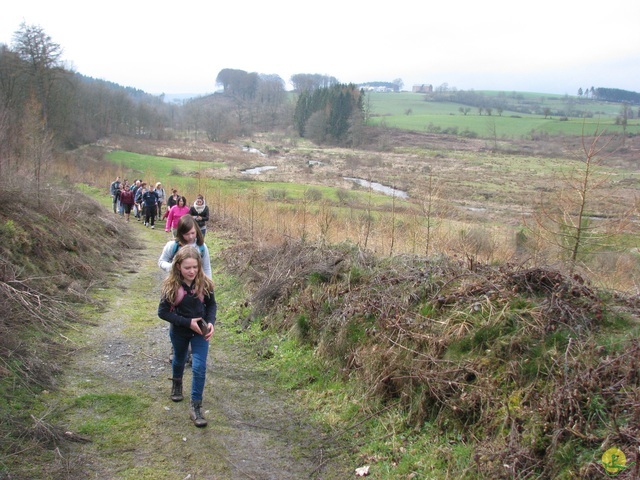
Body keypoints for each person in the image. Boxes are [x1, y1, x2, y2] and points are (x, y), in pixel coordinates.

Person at [158, 246, 216, 427]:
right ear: (178, 268)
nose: (192, 271)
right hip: (179, 331)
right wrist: (186, 322)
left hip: (200, 333)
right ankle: (177, 383)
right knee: (179, 359)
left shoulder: (204, 284)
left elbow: (212, 305)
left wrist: (211, 322)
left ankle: (196, 406)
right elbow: (163, 313)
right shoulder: (171, 286)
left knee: (199, 367)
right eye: (187, 268)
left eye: (195, 267)